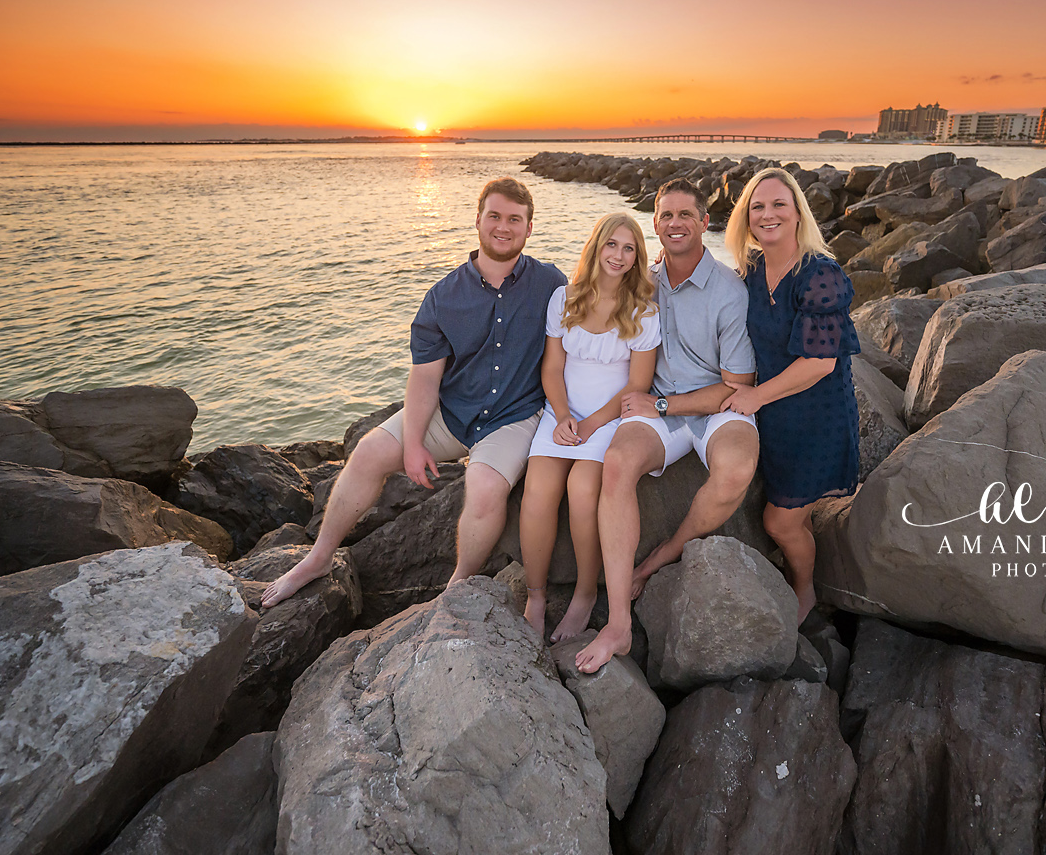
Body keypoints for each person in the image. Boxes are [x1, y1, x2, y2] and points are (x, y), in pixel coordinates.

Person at [261, 177, 566, 609]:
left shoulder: (552, 284)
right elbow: (424, 379)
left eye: (515, 219)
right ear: (478, 220)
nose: (504, 226)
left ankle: (455, 589)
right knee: (367, 453)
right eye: (494, 216)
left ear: (529, 228)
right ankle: (317, 558)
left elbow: (596, 321)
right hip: (453, 410)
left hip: (515, 416)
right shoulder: (443, 296)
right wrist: (416, 441)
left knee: (482, 488)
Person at [574, 177, 759, 674]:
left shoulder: (728, 291)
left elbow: (736, 384)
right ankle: (617, 624)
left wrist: (664, 406)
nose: (675, 223)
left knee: (738, 467)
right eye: (666, 216)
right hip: (659, 408)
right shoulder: (644, 281)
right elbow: (584, 307)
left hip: (710, 406)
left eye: (685, 215)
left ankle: (660, 557)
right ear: (655, 224)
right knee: (616, 463)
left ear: (705, 222)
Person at [720, 168, 860, 625]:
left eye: (779, 204)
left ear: (798, 212)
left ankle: (806, 591)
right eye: (757, 206)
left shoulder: (820, 274)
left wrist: (756, 396)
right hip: (773, 413)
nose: (768, 214)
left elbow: (820, 363)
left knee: (780, 522)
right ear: (745, 218)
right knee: (786, 511)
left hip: (816, 414)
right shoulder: (751, 271)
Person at [520, 213, 660, 641]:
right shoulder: (564, 298)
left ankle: (584, 593)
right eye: (611, 245)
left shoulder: (643, 310)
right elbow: (552, 367)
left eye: (629, 248)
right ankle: (536, 595)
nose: (618, 256)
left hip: (609, 417)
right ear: (596, 247)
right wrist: (562, 415)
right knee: (539, 489)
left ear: (637, 257)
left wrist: (592, 423)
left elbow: (638, 384)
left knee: (583, 490)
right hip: (562, 412)